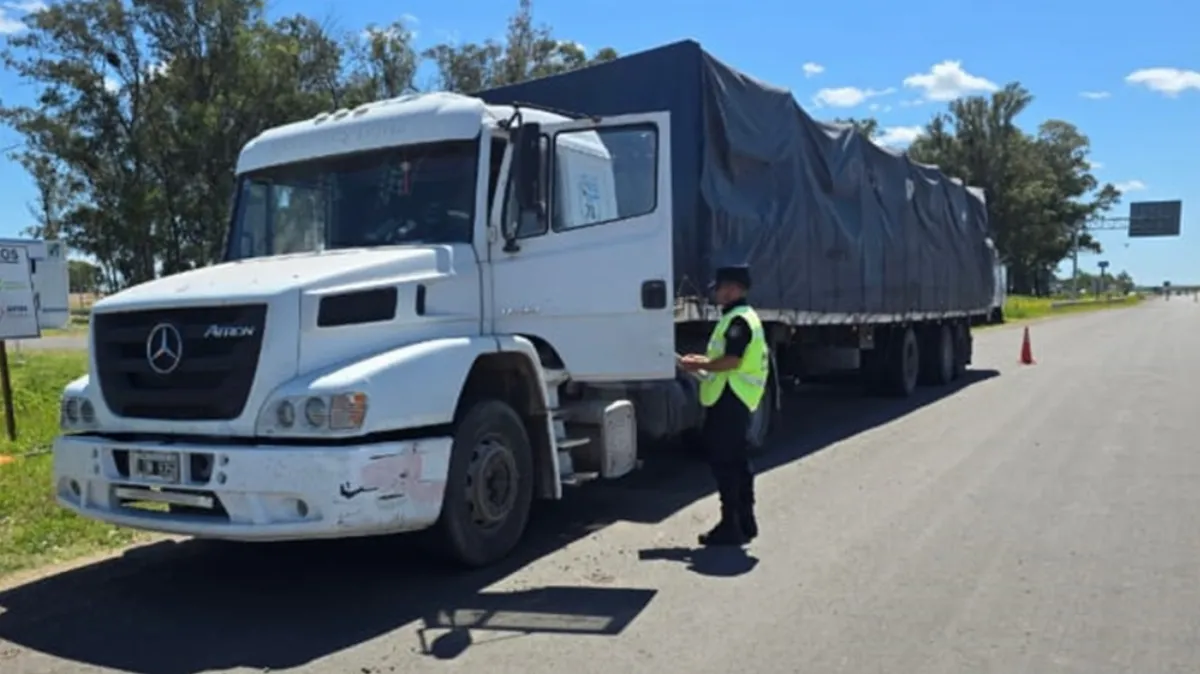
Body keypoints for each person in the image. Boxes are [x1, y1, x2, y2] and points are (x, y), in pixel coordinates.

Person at [678, 264, 769, 546]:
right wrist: (702, 363)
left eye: (719, 287)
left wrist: (699, 363)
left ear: (732, 289)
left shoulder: (738, 321)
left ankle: (731, 524)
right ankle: (745, 520)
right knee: (738, 461)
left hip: (730, 397)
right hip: (733, 396)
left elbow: (732, 360)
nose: (717, 292)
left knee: (725, 462)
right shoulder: (739, 317)